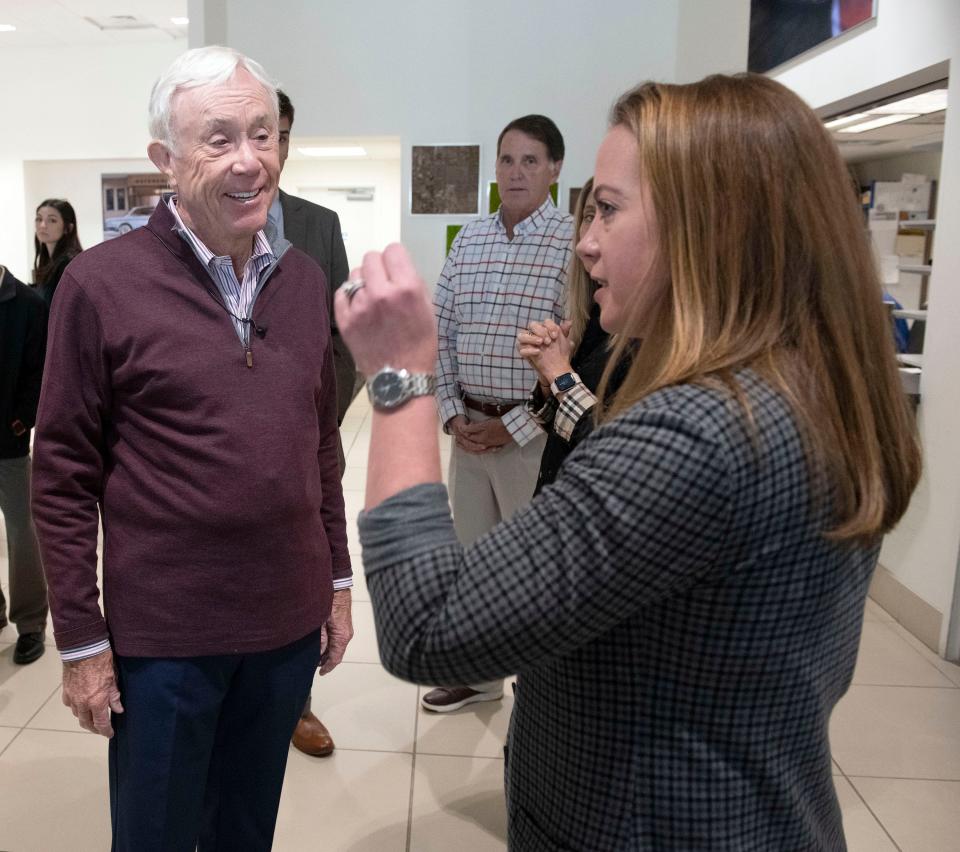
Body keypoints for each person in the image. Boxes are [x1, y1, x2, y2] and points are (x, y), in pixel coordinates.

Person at [335, 73, 921, 850]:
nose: (586, 240)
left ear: (708, 225)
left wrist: (400, 378)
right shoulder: (803, 385)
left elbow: (427, 625)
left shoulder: (699, 431)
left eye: (608, 209)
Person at [31, 46, 352, 852]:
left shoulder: (305, 280)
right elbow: (62, 475)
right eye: (219, 140)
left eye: (263, 134)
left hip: (284, 628)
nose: (251, 160)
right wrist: (81, 641)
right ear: (164, 161)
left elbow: (320, 447)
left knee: (246, 831)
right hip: (165, 640)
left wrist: (337, 580)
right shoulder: (100, 286)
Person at [427, 114, 573, 712]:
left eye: (531, 161)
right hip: (467, 434)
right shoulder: (469, 239)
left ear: (555, 169)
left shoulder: (572, 244)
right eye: (507, 160)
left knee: (536, 571)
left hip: (531, 440)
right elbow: (439, 331)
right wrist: (449, 413)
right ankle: (480, 676)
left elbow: (577, 351)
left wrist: (511, 426)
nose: (516, 173)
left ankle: (545, 689)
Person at [269, 88, 358, 758]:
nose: (269, 147)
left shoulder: (319, 225)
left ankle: (292, 704)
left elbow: (342, 339)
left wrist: (322, 428)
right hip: (218, 461)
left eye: (279, 132)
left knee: (302, 570)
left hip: (303, 448)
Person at [517, 177, 631, 492]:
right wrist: (546, 379)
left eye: (608, 213)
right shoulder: (594, 314)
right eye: (589, 216)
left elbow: (616, 455)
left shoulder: (648, 335)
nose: (585, 241)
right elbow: (560, 428)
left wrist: (561, 375)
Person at [0, 263, 48, 665]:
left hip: (8, 443)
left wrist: (20, 421)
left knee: (22, 533)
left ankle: (30, 623)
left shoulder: (28, 304)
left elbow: (42, 371)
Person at [32, 198, 82, 307]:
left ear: (68, 228)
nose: (42, 225)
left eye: (52, 220)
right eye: (39, 219)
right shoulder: (48, 262)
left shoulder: (68, 264)